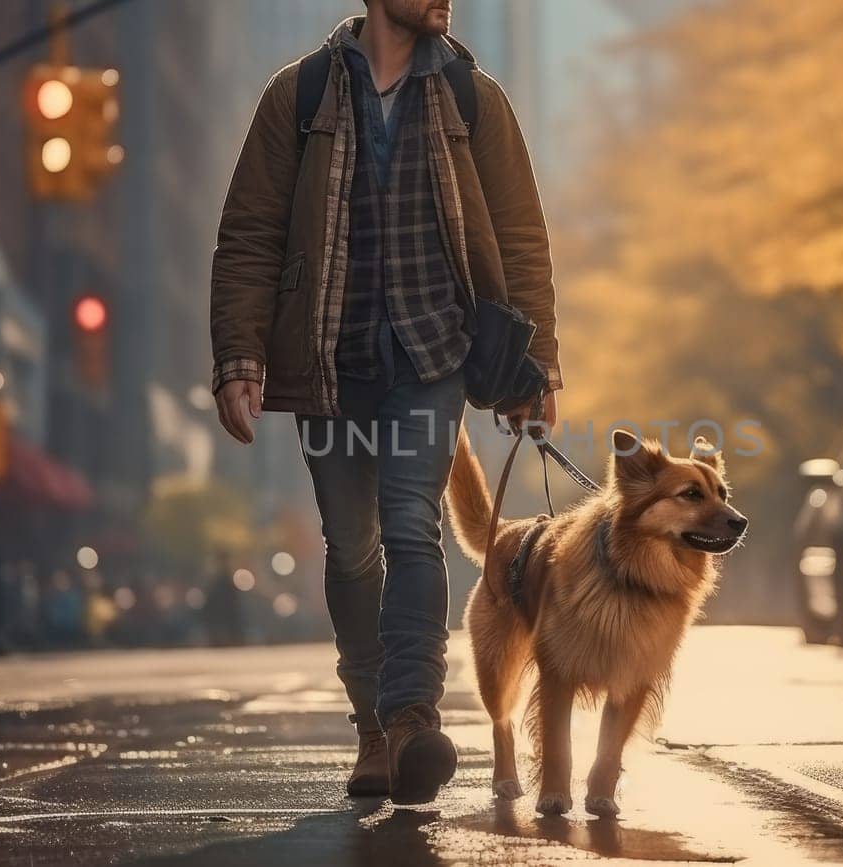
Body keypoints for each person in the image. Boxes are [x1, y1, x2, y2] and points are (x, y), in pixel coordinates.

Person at [208, 0, 562, 805]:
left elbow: (521, 235)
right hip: (328, 357)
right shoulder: (297, 97)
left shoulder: (475, 98)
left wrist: (535, 366)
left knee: (412, 525)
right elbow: (251, 231)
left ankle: (411, 721)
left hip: (433, 352)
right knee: (351, 546)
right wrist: (240, 355)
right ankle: (370, 727)